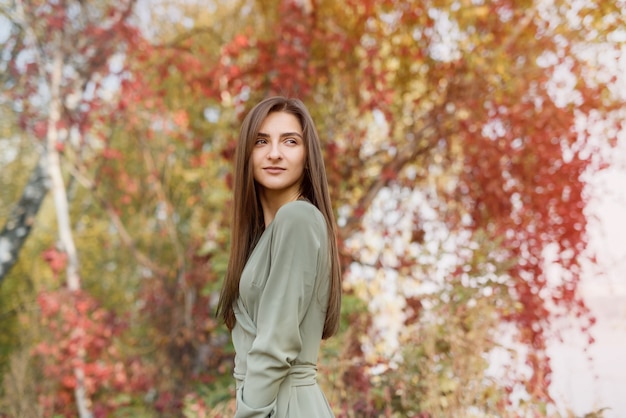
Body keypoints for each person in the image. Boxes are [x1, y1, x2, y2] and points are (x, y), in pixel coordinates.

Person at [217, 96, 342, 418]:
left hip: (285, 407)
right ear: (247, 153)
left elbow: (275, 347)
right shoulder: (263, 237)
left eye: (290, 141)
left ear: (307, 155)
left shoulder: (298, 219)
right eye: (261, 141)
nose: (275, 153)